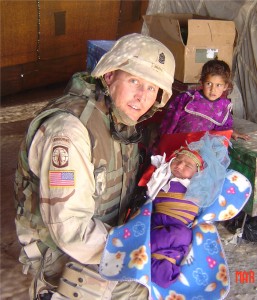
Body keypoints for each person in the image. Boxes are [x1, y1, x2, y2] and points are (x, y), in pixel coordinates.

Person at [14, 33, 175, 300]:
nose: (142, 97)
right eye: (134, 80)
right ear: (109, 76)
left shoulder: (121, 120)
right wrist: (135, 249)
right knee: (146, 288)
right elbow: (70, 228)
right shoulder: (69, 132)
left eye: (151, 88)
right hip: (61, 253)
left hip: (103, 236)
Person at [146, 133, 230, 288]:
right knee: (181, 237)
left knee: (181, 236)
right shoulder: (162, 176)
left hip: (174, 231)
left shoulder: (198, 188)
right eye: (177, 160)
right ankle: (147, 248)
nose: (179, 166)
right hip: (161, 226)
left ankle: (146, 247)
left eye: (188, 166)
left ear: (198, 173)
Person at [158, 59, 249, 142]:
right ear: (201, 82)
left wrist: (231, 132)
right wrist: (164, 139)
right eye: (209, 84)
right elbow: (170, 121)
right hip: (178, 141)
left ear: (225, 86)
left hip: (201, 147)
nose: (213, 89)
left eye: (218, 85)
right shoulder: (188, 98)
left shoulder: (222, 107)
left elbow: (223, 127)